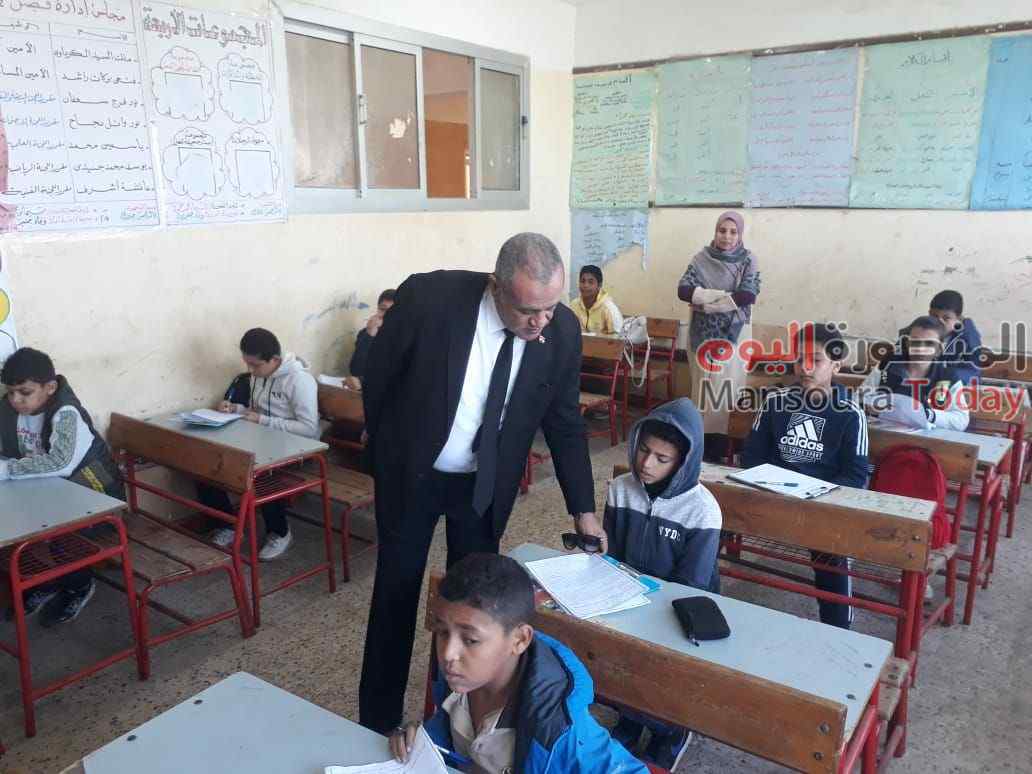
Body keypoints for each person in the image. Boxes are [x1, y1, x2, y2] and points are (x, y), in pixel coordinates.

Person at [359, 233, 601, 734]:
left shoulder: (561, 330)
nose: (540, 322)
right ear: (496, 286)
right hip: (413, 476)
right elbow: (378, 375)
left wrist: (583, 510)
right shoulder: (430, 299)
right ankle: (377, 721)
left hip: (484, 484)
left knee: (473, 610)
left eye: (550, 307)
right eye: (528, 310)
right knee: (395, 594)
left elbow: (564, 422)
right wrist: (386, 451)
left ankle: (451, 721)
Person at [390, 553, 647, 774]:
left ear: (520, 640)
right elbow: (452, 732)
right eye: (442, 632)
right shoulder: (460, 680)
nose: (447, 653)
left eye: (470, 640)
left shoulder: (561, 728)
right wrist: (422, 740)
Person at [603, 397, 720, 767]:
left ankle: (671, 729)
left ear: (683, 463)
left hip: (681, 605)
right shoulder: (620, 488)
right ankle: (630, 716)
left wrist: (640, 599)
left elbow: (691, 586)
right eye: (643, 450)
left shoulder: (702, 509)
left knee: (664, 664)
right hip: (628, 594)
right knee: (617, 651)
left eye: (661, 458)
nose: (646, 464)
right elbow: (609, 556)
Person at [743, 324, 869, 629]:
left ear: (836, 365)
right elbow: (752, 457)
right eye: (799, 359)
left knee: (833, 549)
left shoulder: (850, 413)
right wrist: (774, 488)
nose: (805, 367)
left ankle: (838, 628)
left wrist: (813, 495)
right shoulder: (776, 402)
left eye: (816, 360)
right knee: (711, 518)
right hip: (771, 496)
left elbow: (856, 477)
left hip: (820, 506)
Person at [0, 347, 124, 624]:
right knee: (21, 525)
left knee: (63, 535)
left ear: (50, 387)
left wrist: (7, 469)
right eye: (10, 392)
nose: (16, 400)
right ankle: (45, 582)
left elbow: (60, 462)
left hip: (94, 492)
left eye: (25, 392)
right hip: (47, 490)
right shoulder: (8, 408)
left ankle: (78, 586)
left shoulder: (66, 413)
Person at [202, 328, 318, 560]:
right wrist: (236, 409)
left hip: (296, 447)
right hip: (262, 440)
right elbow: (257, 412)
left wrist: (263, 421)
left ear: (274, 359)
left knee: (260, 472)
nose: (250, 371)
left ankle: (280, 532)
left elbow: (309, 429)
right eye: (247, 364)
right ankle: (226, 526)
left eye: (255, 365)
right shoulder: (259, 376)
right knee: (207, 460)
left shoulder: (300, 380)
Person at [677, 211, 761, 461]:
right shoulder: (700, 259)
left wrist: (706, 303)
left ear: (740, 234)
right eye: (722, 230)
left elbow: (748, 295)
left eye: (733, 232)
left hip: (735, 335)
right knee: (702, 391)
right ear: (715, 231)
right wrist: (722, 297)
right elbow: (683, 290)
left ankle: (723, 448)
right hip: (701, 335)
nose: (727, 236)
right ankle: (700, 446)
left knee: (727, 391)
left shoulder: (748, 260)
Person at [866, 315, 970, 431]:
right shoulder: (887, 366)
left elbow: (961, 421)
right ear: (907, 344)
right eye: (915, 342)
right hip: (883, 435)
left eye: (929, 343)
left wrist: (929, 414)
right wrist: (873, 406)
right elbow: (860, 398)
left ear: (939, 349)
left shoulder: (947, 377)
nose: (920, 349)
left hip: (927, 439)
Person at [928, 290, 982, 386]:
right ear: (929, 313)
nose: (939, 322)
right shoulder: (918, 330)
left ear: (958, 319)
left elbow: (973, 374)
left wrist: (944, 374)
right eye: (934, 316)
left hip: (950, 386)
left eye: (946, 318)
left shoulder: (969, 339)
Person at [349, 289, 396, 383]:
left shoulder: (408, 338)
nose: (386, 315)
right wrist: (370, 336)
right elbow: (355, 370)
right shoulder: (366, 333)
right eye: (382, 309)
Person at [570, 264, 624, 335]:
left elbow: (619, 338)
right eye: (582, 281)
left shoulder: (609, 308)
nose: (585, 285)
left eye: (590, 282)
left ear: (599, 285)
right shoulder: (573, 305)